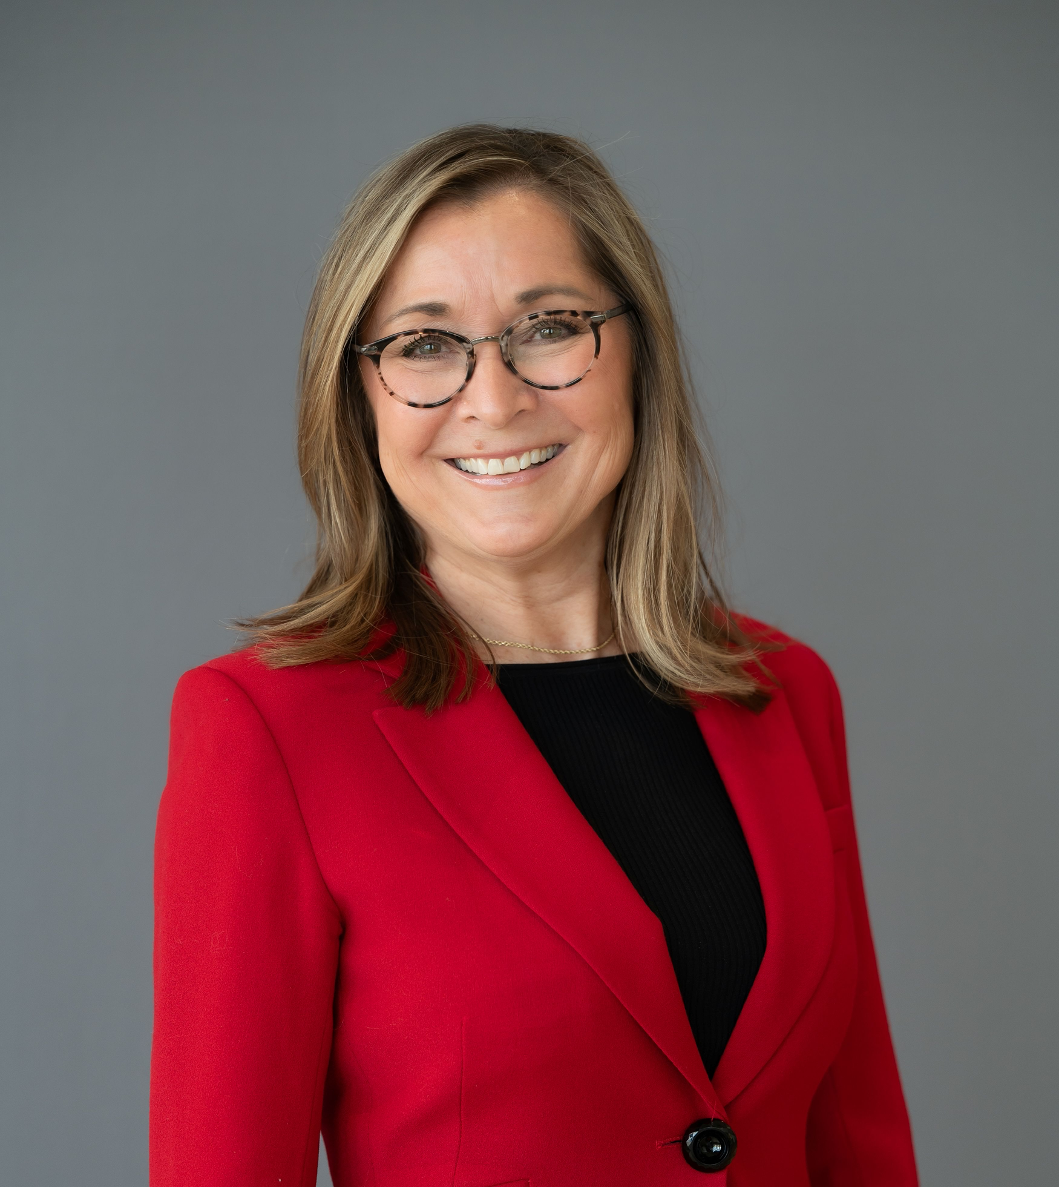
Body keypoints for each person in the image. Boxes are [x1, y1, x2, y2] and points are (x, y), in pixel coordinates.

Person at [150, 125, 919, 1186]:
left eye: (549, 327)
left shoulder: (784, 691)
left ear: (634, 350)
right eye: (424, 344)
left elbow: (861, 1142)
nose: (495, 396)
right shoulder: (266, 729)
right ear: (358, 394)